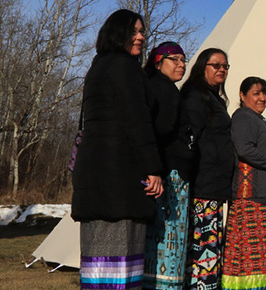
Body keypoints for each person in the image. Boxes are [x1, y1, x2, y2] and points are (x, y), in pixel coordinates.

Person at [71, 9, 163, 290]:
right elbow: (136, 121)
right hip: (119, 180)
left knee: (97, 267)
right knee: (121, 266)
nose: (140, 37)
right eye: (134, 31)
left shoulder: (98, 66)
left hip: (95, 178)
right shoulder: (124, 67)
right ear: (117, 33)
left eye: (141, 31)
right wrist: (153, 168)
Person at [224, 76, 266, 289]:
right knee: (252, 257)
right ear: (242, 96)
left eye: (264, 93)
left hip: (263, 198)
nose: (262, 98)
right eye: (256, 93)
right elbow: (245, 150)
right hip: (251, 199)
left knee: (263, 259)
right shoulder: (244, 117)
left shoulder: (257, 119)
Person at [182, 47, 233, 290]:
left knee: (209, 250)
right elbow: (190, 138)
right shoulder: (196, 96)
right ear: (203, 67)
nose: (221, 69)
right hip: (202, 185)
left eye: (225, 66)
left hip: (213, 185)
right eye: (216, 65)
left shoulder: (213, 97)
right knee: (203, 250)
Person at [141, 41, 191, 289]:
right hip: (166, 174)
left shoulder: (165, 88)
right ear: (158, 61)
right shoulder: (159, 89)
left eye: (184, 60)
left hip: (168, 171)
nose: (181, 65)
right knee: (167, 237)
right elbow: (158, 131)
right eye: (175, 59)